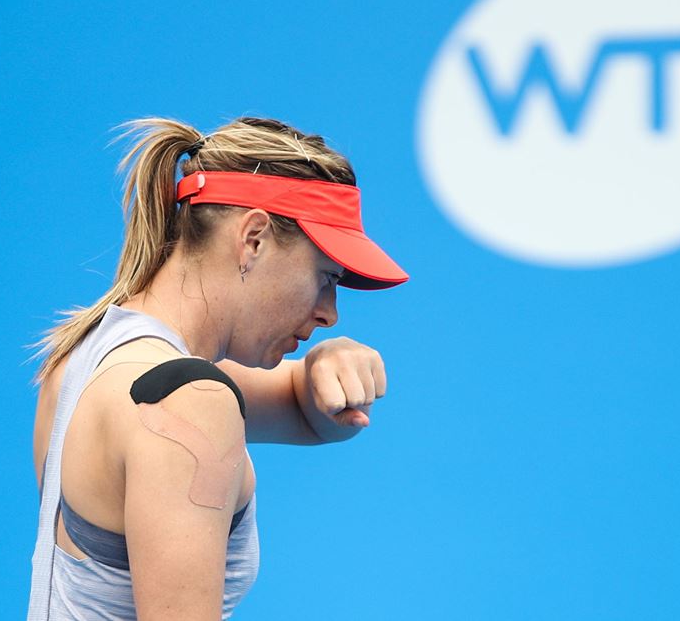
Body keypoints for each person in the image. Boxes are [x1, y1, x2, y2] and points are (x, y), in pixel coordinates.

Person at [27, 116, 408, 620]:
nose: (329, 314)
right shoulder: (190, 400)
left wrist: (325, 363)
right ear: (254, 239)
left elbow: (310, 413)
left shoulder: (87, 355)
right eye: (325, 278)